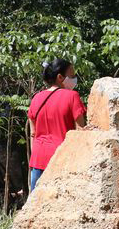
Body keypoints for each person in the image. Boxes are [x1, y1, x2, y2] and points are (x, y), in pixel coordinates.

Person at [27, 58, 87, 191]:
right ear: (60, 77)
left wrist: (35, 155)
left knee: (37, 206)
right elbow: (80, 132)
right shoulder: (72, 96)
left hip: (38, 159)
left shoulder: (36, 98)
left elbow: (33, 133)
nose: (74, 79)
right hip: (62, 159)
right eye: (72, 75)